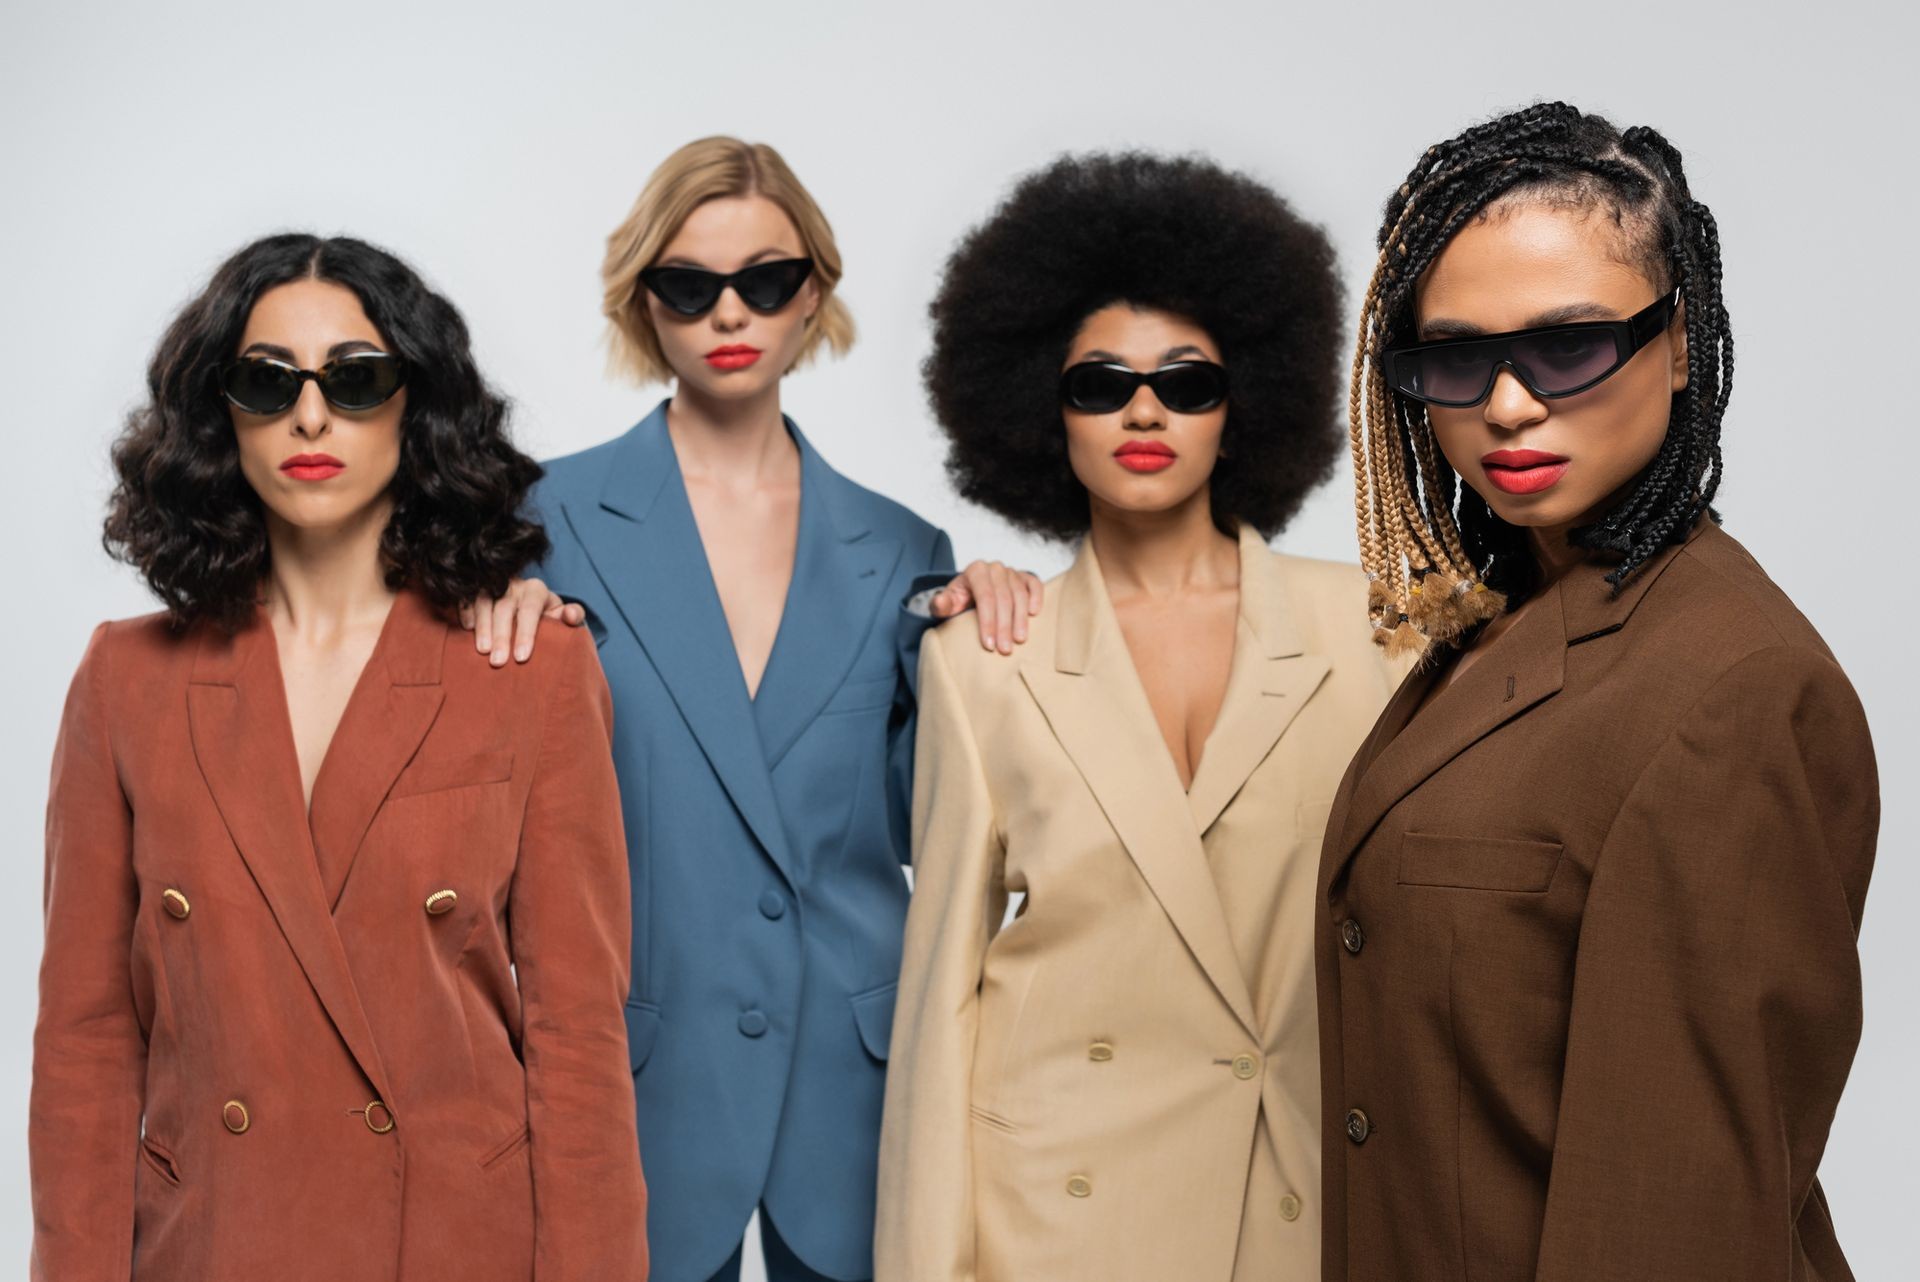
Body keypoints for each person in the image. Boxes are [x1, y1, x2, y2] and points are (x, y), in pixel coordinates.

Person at [1320, 102, 1878, 1281]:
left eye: (1568, 347)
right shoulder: (1503, 617)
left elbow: (1678, 1211)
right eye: (1457, 358)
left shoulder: (1733, 689)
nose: (1508, 405)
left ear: (1680, 342)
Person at [466, 137, 1039, 1282]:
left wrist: (993, 637)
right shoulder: (542, 522)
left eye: (765, 281)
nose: (730, 311)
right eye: (690, 285)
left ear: (813, 291)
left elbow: (936, 819)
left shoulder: (900, 548)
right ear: (645, 303)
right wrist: (473, 618)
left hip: (853, 1077)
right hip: (640, 1066)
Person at [31, 234, 646, 1280]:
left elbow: (576, 1037)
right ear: (219, 413)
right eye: (267, 383)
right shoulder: (125, 681)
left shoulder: (530, 671)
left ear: (417, 404)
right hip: (215, 1247)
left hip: (456, 1248)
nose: (310, 416)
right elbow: (87, 1046)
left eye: (356, 380)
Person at [876, 152, 1403, 1282]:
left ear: (1244, 402)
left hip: (1298, 1197)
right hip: (1056, 1216)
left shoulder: (1372, 636)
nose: (1146, 408)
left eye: (1188, 382)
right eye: (1100, 383)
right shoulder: (981, 659)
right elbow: (939, 1000)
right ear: (1040, 410)